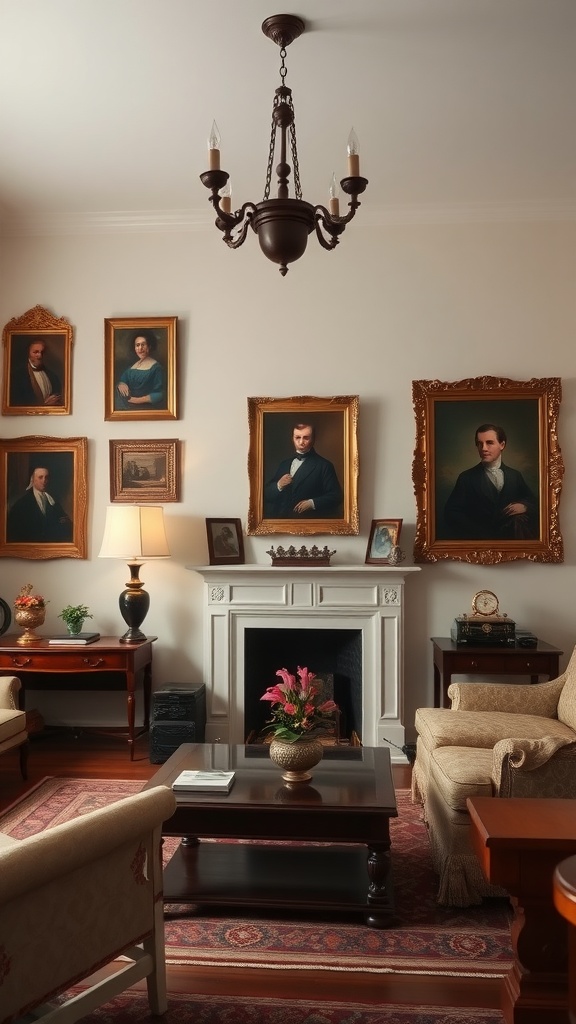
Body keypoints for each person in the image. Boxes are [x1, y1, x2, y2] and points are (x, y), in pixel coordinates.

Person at [444, 423, 539, 540]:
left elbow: (534, 501)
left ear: (502, 445)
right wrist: (479, 532)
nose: (483, 448)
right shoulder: (466, 478)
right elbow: (451, 513)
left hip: (512, 542)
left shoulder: (514, 475)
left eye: (489, 442)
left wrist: (525, 506)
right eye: (479, 444)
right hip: (480, 542)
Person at [264, 422, 343, 519]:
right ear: (292, 439)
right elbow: (266, 494)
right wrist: (279, 485)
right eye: (297, 437)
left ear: (313, 439)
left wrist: (312, 503)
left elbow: (336, 496)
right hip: (281, 522)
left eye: (306, 438)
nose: (301, 442)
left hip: (308, 522)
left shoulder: (324, 465)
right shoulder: (284, 464)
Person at [7, 465, 73, 543]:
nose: (44, 480)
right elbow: (14, 531)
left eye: (46, 477)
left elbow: (65, 521)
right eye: (40, 477)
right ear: (33, 480)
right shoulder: (21, 504)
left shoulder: (53, 501)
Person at [115, 329, 165, 410]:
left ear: (149, 346)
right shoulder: (132, 367)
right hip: (127, 405)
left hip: (145, 408)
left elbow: (160, 394)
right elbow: (123, 379)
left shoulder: (156, 368)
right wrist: (122, 384)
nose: (140, 348)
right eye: (137, 345)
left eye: (143, 345)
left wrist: (136, 400)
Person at [10, 339, 62, 407]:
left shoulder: (53, 376)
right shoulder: (18, 376)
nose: (39, 356)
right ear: (28, 353)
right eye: (35, 352)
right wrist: (44, 405)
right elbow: (17, 404)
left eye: (42, 352)